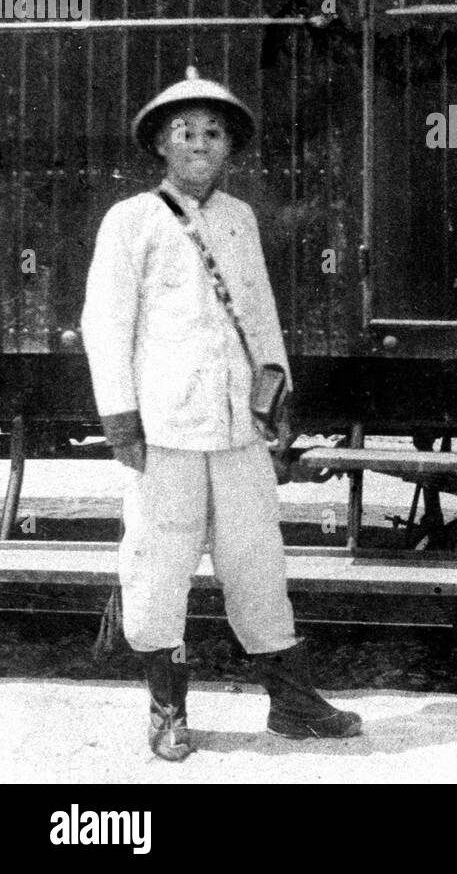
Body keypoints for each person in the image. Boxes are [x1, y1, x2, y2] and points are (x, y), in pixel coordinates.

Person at [81, 66, 362, 761]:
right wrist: (121, 419)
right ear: (161, 146)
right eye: (186, 133)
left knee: (257, 561)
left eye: (213, 133)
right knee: (158, 561)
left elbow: (261, 320)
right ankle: (166, 710)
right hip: (165, 431)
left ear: (230, 147)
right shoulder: (132, 221)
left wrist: (278, 404)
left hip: (239, 427)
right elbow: (104, 324)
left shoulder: (240, 220)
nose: (200, 144)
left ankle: (293, 704)